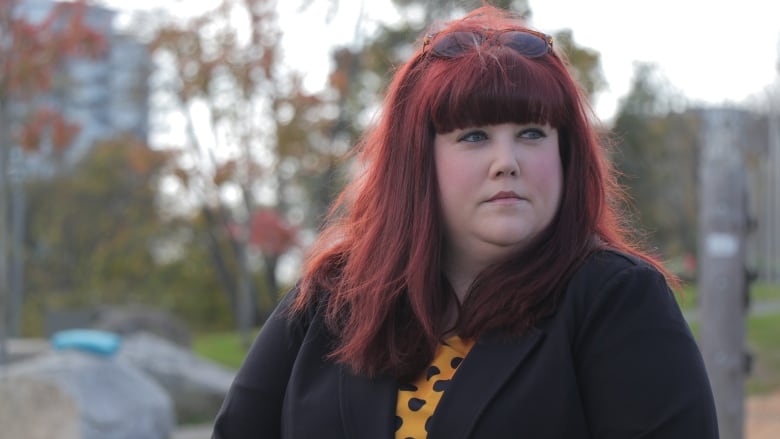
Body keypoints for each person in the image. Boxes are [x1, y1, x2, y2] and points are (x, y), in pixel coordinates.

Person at [212, 4, 719, 438]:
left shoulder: (616, 299)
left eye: (532, 133)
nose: (507, 161)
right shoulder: (331, 298)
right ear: (416, 161)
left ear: (566, 153)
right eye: (474, 136)